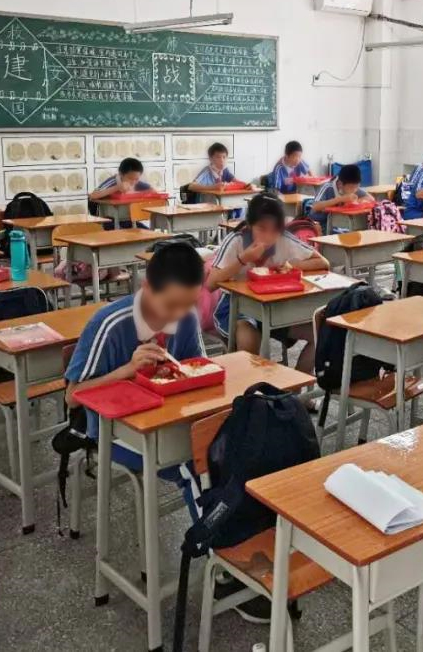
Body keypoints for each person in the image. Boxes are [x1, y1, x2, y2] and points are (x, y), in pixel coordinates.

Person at [64, 242, 207, 504]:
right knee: (194, 466)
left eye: (189, 304)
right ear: (147, 288)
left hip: (168, 419)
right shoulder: (110, 324)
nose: (179, 314)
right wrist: (127, 371)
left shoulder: (186, 316)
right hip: (114, 432)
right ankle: (208, 531)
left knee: (226, 452)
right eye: (171, 305)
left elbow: (199, 373)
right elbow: (72, 397)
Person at [208, 193, 329, 372]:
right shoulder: (237, 240)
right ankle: (249, 386)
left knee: (321, 335)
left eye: (275, 230)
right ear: (249, 225)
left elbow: (323, 262)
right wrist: (243, 259)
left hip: (275, 306)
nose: (269, 236)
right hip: (236, 308)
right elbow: (211, 283)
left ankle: (296, 384)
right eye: (262, 228)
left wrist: (292, 264)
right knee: (249, 338)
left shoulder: (284, 240)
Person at [88, 157, 157, 227]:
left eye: (136, 179)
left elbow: (154, 192)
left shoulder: (136, 183)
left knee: (149, 232)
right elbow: (92, 196)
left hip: (130, 221)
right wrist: (117, 187)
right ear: (121, 174)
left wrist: (141, 193)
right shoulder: (113, 181)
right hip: (110, 221)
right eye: (130, 178)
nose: (133, 182)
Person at [310, 164, 375, 232]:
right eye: (351, 187)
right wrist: (340, 199)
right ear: (340, 184)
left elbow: (371, 198)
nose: (354, 190)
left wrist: (357, 201)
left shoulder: (353, 186)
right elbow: (315, 206)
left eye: (357, 187)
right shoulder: (328, 187)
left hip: (339, 225)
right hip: (321, 224)